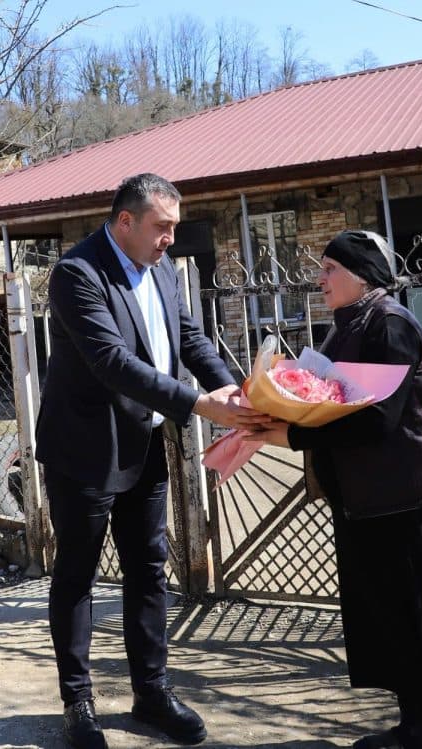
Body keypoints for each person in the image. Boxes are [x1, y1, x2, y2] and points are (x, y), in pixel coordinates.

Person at [36, 173, 267, 749]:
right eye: (162, 227)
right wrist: (196, 401)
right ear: (126, 222)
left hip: (145, 446)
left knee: (147, 571)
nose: (171, 239)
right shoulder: (77, 274)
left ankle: (152, 693)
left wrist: (235, 391)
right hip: (85, 452)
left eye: (174, 227)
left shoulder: (161, 266)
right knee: (77, 576)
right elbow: (111, 360)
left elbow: (188, 336)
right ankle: (78, 703)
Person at [245, 230, 422, 749]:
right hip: (371, 496)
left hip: (410, 493)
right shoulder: (349, 324)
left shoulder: (389, 324)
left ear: (362, 275)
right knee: (391, 614)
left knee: (418, 611)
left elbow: (379, 419)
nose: (320, 278)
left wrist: (294, 433)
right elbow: (332, 398)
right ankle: (413, 723)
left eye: (330, 268)